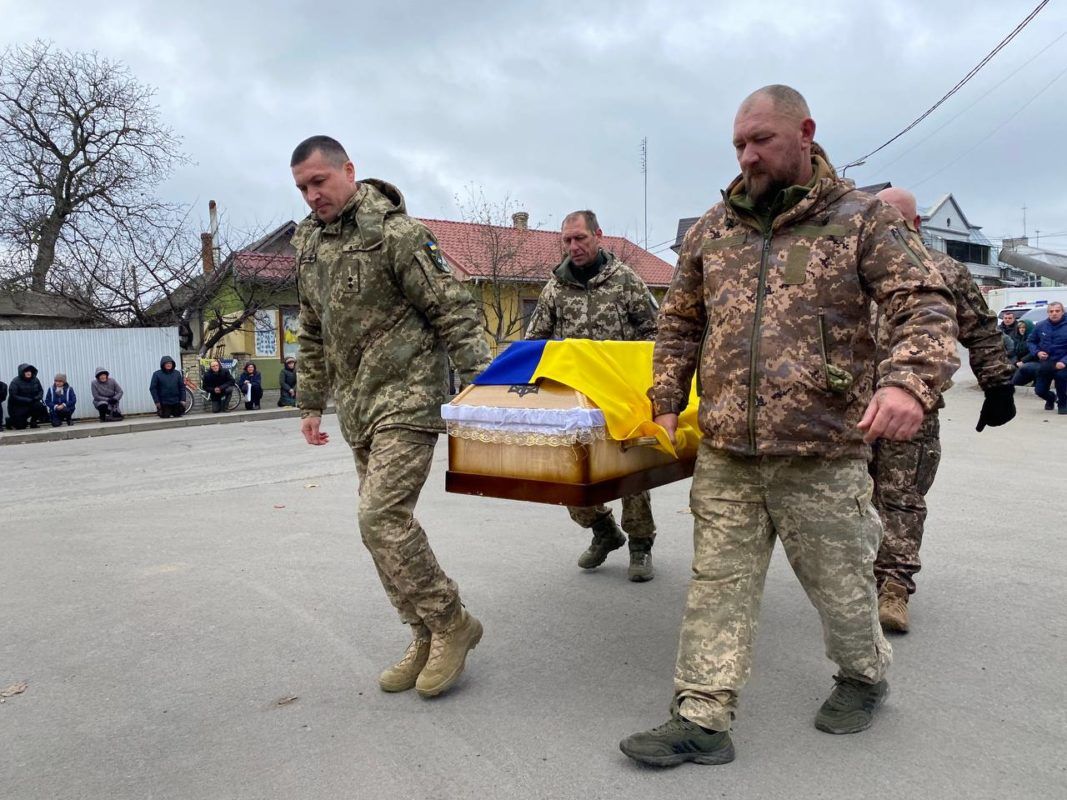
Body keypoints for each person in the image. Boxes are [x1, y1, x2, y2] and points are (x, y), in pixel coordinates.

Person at [619, 85, 959, 767]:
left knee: (839, 590)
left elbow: (923, 301)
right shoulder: (712, 230)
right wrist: (664, 394)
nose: (747, 156)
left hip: (822, 449)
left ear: (804, 132)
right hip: (727, 452)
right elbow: (680, 320)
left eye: (760, 141)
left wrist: (907, 383)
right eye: (738, 144)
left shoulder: (860, 220)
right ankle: (701, 715)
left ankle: (863, 675)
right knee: (717, 583)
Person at [290, 135, 492, 698]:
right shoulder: (307, 242)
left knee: (379, 517)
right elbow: (311, 327)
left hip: (408, 396)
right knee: (377, 531)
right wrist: (311, 401)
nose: (311, 196)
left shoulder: (397, 234)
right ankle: (423, 632)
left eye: (319, 182)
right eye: (302, 188)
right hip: (357, 403)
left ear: (348, 170)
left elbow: (452, 309)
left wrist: (482, 382)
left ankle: (453, 623)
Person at [870, 188, 1016, 633]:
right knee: (844, 497)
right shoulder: (853, 266)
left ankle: (893, 586)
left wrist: (997, 385)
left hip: (912, 405)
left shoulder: (945, 269)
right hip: (847, 408)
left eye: (895, 221)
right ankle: (852, 580)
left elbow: (981, 328)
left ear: (915, 224)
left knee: (900, 496)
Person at [525, 209, 660, 582]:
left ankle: (640, 545)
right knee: (570, 473)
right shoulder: (555, 288)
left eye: (580, 238)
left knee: (631, 473)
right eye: (567, 240)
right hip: (575, 399)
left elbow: (656, 331)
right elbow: (535, 341)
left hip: (621, 394)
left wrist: (634, 370)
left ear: (598, 235)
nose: (574, 246)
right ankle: (603, 530)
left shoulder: (626, 282)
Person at [1027, 301, 1067, 413]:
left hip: (1063, 362)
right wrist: (1037, 352)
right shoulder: (1040, 326)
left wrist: (1064, 361)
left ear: (1062, 312)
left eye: (1057, 311)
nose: (1054, 313)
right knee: (1039, 390)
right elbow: (1031, 341)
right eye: (1051, 311)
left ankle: (1063, 404)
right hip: (1047, 362)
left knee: (1061, 379)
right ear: (1048, 313)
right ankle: (1051, 398)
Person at [7, 363, 49, 430]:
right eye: (26, 371)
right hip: (18, 407)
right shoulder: (15, 382)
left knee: (39, 406)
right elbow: (13, 396)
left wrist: (37, 398)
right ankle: (10, 421)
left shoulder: (35, 380)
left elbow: (40, 391)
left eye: (30, 371)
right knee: (21, 427)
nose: (28, 373)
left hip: (31, 403)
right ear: (22, 372)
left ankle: (33, 422)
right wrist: (27, 400)